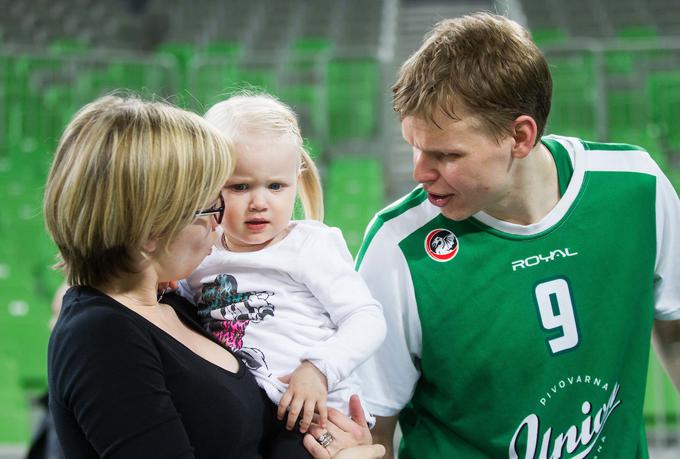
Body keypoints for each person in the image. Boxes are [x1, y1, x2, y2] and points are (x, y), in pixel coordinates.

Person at [355, 12, 680, 459]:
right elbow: (372, 429)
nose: (420, 172)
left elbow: (676, 328)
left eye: (447, 154)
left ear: (520, 137)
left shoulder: (637, 187)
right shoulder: (398, 246)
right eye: (415, 146)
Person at [44, 94, 384, 459]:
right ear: (149, 231)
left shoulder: (172, 300)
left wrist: (335, 442)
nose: (219, 222)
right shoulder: (102, 335)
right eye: (211, 205)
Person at [178, 93, 387, 437]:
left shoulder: (309, 245)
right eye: (240, 187)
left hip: (319, 414)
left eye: (276, 186)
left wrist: (318, 369)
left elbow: (367, 319)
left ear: (296, 180)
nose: (260, 202)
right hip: (247, 413)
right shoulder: (202, 253)